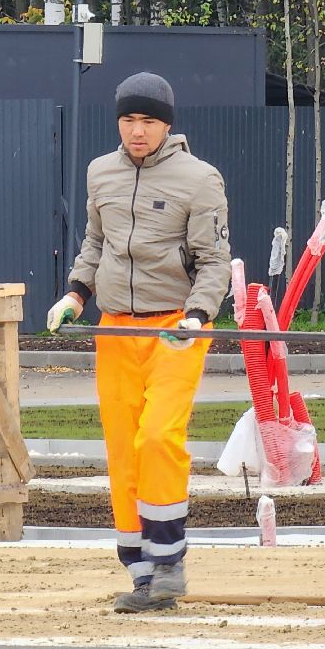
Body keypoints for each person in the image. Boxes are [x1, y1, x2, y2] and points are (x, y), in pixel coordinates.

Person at [46, 72, 231, 613]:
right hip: (116, 328)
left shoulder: (200, 179)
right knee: (124, 450)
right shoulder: (99, 173)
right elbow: (94, 244)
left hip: (176, 327)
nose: (137, 130)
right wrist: (75, 295)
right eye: (128, 120)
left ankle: (170, 559)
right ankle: (142, 570)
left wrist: (198, 315)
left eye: (147, 120)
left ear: (166, 124)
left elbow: (215, 260)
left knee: (157, 438)